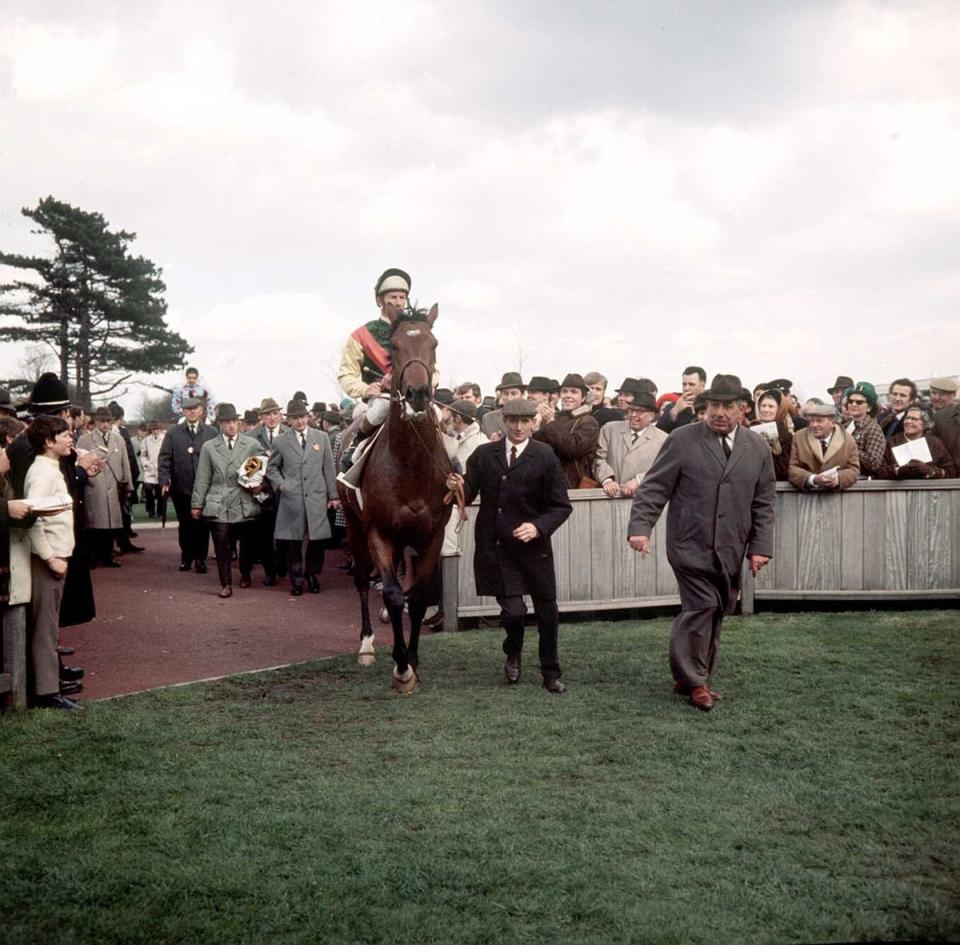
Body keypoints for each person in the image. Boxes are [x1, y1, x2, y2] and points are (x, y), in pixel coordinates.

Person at [627, 374, 775, 712]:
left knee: (718, 609)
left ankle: (688, 676)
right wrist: (641, 528)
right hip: (688, 543)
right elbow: (654, 487)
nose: (720, 412)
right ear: (705, 408)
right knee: (702, 607)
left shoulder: (757, 447)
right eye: (714, 406)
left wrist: (760, 547)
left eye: (728, 406)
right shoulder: (682, 439)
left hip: (731, 547)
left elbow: (764, 501)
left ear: (743, 409)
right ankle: (697, 683)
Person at [447, 398, 572, 692]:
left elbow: (561, 506)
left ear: (533, 423)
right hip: (496, 547)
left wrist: (538, 527)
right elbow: (468, 490)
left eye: (525, 421)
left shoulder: (545, 456)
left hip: (534, 549)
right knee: (514, 612)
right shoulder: (484, 454)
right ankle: (512, 652)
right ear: (504, 421)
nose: (518, 427)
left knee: (547, 612)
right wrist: (456, 486)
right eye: (513, 421)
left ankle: (550, 672)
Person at [337, 268, 439, 438]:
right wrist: (366, 389)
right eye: (392, 298)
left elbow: (434, 370)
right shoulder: (362, 335)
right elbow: (345, 375)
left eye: (402, 297)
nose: (398, 303)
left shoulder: (418, 331)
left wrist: (429, 383)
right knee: (380, 409)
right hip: (381, 399)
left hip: (416, 395)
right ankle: (355, 446)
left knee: (439, 415)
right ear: (379, 301)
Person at [24, 416, 78, 709]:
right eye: (64, 435)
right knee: (45, 626)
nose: (70, 439)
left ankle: (50, 683)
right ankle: (46, 692)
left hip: (57, 556)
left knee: (50, 623)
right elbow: (32, 520)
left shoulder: (50, 468)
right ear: (48, 441)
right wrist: (50, 558)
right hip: (49, 559)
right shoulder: (42, 473)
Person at [266, 401, 339, 596]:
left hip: (317, 496)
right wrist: (282, 485)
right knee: (294, 542)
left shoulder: (322, 438)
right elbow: (272, 468)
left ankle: (312, 575)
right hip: (292, 498)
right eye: (294, 418)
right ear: (288, 420)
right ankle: (296, 580)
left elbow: (329, 469)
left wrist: (333, 495)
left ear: (308, 417)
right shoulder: (281, 441)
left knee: (317, 540)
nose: (299, 421)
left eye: (302, 417)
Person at [191, 403, 263, 598]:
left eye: (233, 421)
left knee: (246, 544)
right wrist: (197, 504)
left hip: (244, 500)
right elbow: (202, 477)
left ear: (238, 423)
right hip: (218, 500)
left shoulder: (251, 445)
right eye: (226, 422)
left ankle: (245, 572)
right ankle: (226, 583)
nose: (231, 426)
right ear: (220, 424)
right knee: (221, 544)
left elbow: (262, 469)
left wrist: (257, 485)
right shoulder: (209, 447)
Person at [157, 395, 218, 573]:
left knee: (202, 525)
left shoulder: (211, 432)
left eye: (196, 409)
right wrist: (164, 480)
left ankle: (200, 559)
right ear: (183, 411)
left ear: (201, 411)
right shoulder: (173, 433)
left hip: (205, 488)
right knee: (185, 524)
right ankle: (186, 557)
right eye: (188, 409)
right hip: (181, 488)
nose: (192, 412)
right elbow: (164, 459)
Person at [77, 407, 132, 568]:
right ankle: (92, 556)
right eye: (102, 421)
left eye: (108, 421)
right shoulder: (85, 440)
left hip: (114, 485)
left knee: (111, 523)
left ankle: (108, 555)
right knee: (94, 523)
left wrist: (128, 485)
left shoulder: (118, 439)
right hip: (93, 484)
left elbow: (125, 463)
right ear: (95, 422)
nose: (105, 425)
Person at [594, 391, 667, 497]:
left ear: (651, 416)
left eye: (639, 412)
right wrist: (607, 480)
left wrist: (639, 480)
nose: (633, 415)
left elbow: (663, 469)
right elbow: (599, 459)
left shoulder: (663, 439)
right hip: (608, 499)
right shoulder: (609, 429)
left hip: (643, 500)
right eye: (631, 410)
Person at [533, 373, 600, 489]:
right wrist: (535, 429)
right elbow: (539, 451)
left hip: (573, 487)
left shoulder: (589, 422)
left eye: (574, 392)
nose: (568, 395)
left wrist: (550, 422)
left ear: (583, 398)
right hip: (548, 485)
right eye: (565, 391)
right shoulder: (553, 419)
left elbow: (572, 449)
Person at [249, 397, 286, 585]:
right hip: (261, 492)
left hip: (285, 491)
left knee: (285, 533)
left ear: (280, 415)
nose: (272, 418)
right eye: (267, 414)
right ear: (261, 417)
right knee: (264, 534)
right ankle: (269, 572)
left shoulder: (289, 433)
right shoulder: (251, 436)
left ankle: (282, 566)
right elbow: (247, 467)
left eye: (274, 413)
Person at [788, 403, 860, 490]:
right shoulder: (799, 437)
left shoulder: (848, 440)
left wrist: (838, 479)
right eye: (811, 420)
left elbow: (854, 469)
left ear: (832, 423)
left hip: (837, 498)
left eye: (819, 421)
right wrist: (813, 479)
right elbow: (792, 468)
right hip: (806, 498)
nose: (814, 425)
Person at [878, 404, 955, 480]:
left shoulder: (935, 443)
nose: (908, 421)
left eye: (914, 419)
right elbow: (879, 471)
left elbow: (951, 472)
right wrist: (897, 470)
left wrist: (931, 471)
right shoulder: (892, 442)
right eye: (907, 418)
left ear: (925, 424)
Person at [843, 382, 886, 478]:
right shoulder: (844, 426)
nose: (853, 404)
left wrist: (849, 447)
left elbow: (873, 464)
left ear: (869, 407)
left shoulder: (873, 429)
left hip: (863, 481)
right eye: (850, 401)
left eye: (859, 402)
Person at [749, 389, 793, 481]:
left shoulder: (786, 436)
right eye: (763, 406)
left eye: (771, 406)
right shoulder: (748, 430)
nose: (766, 410)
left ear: (780, 409)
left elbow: (783, 470)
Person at [657, 366, 707, 432]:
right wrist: (675, 411)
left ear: (702, 385)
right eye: (684, 384)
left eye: (691, 384)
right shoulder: (672, 406)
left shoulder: (711, 405)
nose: (687, 388)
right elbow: (659, 432)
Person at [480, 372, 526, 439]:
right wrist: (489, 444)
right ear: (501, 395)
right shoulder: (488, 419)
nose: (509, 398)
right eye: (506, 393)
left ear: (522, 395)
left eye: (514, 394)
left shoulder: (530, 418)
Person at [930, 376, 960, 472]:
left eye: (943, 394)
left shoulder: (955, 417)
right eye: (934, 393)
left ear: (954, 395)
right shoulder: (923, 412)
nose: (937, 397)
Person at [138, 422, 164, 518]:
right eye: (153, 429)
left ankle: (160, 512)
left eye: (157, 429)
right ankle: (150, 510)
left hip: (161, 468)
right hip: (149, 469)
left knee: (160, 492)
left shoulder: (165, 439)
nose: (155, 431)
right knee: (148, 490)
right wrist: (145, 464)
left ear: (160, 429)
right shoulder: (146, 440)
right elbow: (143, 455)